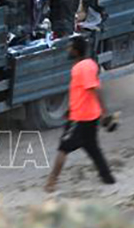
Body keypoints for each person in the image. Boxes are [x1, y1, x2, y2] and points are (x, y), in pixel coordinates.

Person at [45, 37, 115, 192]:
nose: (68, 50)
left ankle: (52, 181)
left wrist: (106, 112)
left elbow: (94, 89)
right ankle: (107, 177)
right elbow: (82, 91)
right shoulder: (90, 64)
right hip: (91, 116)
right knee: (92, 147)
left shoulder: (80, 68)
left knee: (63, 148)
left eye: (70, 47)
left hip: (80, 117)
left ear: (76, 51)